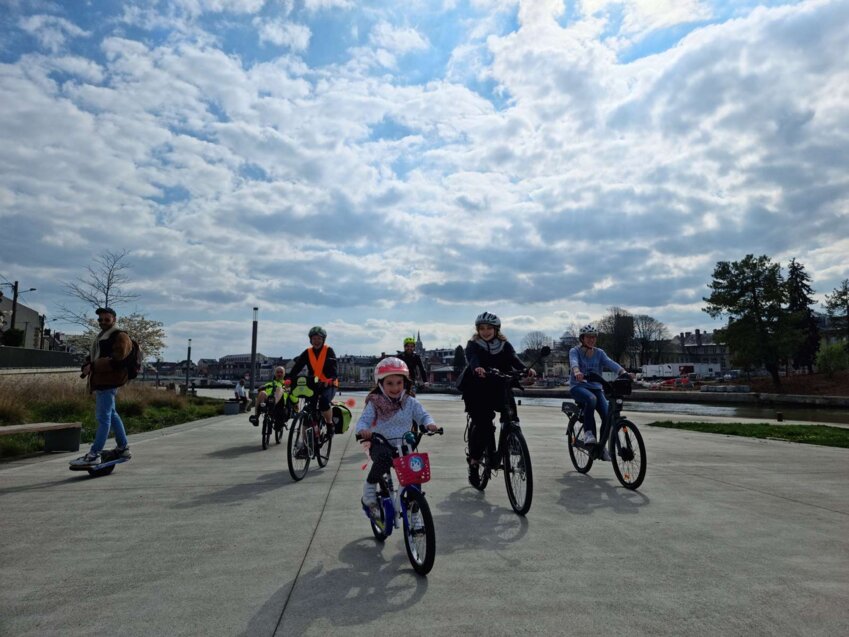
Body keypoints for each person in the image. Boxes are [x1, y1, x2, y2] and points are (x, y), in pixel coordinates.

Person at [456, 312, 535, 483]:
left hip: (499, 385)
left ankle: (515, 443)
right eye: (482, 328)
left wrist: (526, 369)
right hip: (477, 388)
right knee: (484, 427)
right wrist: (477, 368)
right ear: (478, 330)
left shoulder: (504, 345)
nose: (485, 331)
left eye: (489, 328)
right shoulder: (473, 344)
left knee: (511, 416)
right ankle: (474, 462)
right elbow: (472, 359)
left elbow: (513, 359)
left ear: (496, 329)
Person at [355, 357, 438, 516]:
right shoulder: (375, 402)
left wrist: (429, 424)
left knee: (415, 469)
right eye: (390, 383)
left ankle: (414, 502)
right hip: (380, 444)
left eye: (399, 383)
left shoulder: (410, 401)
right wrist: (363, 430)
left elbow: (423, 415)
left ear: (405, 383)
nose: (395, 388)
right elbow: (364, 420)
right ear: (380, 384)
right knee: (384, 458)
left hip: (404, 445)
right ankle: (369, 490)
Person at [70, 307, 132, 467]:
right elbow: (94, 356)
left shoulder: (120, 336)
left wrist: (94, 365)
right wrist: (87, 364)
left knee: (103, 418)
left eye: (106, 319)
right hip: (101, 381)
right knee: (111, 414)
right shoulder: (101, 337)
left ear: (114, 320)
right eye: (100, 320)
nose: (102, 322)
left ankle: (94, 453)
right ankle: (123, 447)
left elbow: (118, 358)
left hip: (109, 381)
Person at [568, 324, 630, 461]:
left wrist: (623, 372)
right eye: (588, 337)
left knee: (608, 415)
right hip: (578, 387)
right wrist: (577, 371)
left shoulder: (599, 353)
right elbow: (574, 362)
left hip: (596, 388)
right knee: (591, 399)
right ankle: (588, 433)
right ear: (582, 338)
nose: (591, 339)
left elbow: (610, 363)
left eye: (593, 337)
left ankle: (601, 447)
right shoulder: (575, 351)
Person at [286, 326, 337, 436]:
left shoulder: (329, 351)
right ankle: (304, 445)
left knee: (324, 402)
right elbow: (298, 366)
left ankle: (329, 424)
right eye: (314, 339)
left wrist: (331, 378)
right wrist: (290, 378)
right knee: (308, 412)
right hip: (313, 384)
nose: (316, 341)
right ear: (310, 340)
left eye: (319, 338)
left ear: (323, 339)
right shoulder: (307, 352)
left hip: (328, 384)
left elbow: (333, 367)